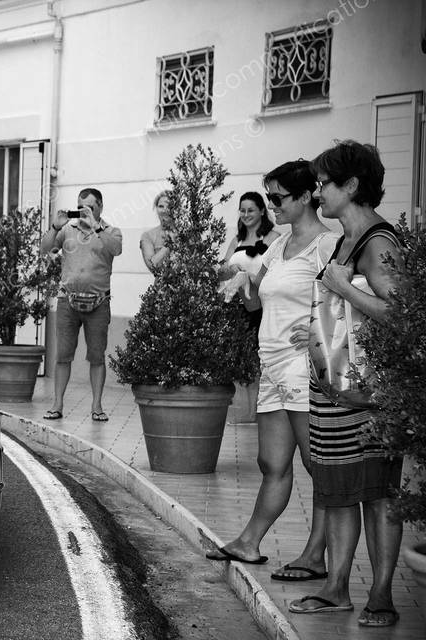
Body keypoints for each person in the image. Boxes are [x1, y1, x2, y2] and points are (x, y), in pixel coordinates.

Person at [286, 141, 404, 628]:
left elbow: (401, 314)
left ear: (351, 186)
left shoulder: (379, 242)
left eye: (323, 184)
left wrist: (338, 287)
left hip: (371, 399)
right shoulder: (343, 242)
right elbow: (346, 315)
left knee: (376, 493)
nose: (317, 192)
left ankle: (380, 596)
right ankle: (335, 588)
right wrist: (312, 329)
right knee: (336, 492)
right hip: (335, 393)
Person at [209, 160, 336, 582]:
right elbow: (257, 302)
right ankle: (249, 543)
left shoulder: (328, 244)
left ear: (304, 197)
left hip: (304, 369)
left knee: (318, 465)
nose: (272, 205)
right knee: (272, 462)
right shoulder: (279, 245)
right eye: (270, 197)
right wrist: (241, 284)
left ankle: (315, 554)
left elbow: (351, 299)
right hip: (273, 365)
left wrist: (317, 332)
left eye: (278, 198)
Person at [40, 187, 123, 422]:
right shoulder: (67, 230)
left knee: (97, 357)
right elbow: (45, 249)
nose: (84, 212)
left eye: (90, 207)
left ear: (100, 208)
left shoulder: (111, 232)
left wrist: (95, 225)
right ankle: (57, 405)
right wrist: (55, 226)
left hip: (99, 303)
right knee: (63, 356)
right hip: (68, 301)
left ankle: (97, 407)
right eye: (80, 207)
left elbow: (115, 249)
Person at [222, 192, 281, 424]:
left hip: (262, 307)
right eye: (242, 210)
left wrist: (250, 276)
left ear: (261, 212)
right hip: (237, 307)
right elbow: (223, 269)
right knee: (239, 357)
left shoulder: (275, 238)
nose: (246, 214)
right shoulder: (236, 240)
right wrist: (234, 270)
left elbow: (276, 273)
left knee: (259, 358)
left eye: (251, 210)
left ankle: (259, 411)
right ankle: (242, 411)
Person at [140, 190, 172, 272]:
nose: (165, 210)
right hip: (162, 284)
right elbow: (153, 267)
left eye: (170, 206)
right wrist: (169, 244)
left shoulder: (187, 233)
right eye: (161, 206)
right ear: (156, 208)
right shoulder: (148, 236)